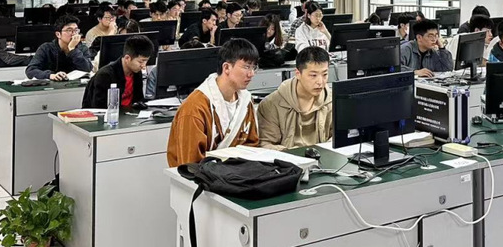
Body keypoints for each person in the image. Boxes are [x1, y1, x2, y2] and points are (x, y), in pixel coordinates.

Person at [167, 38, 260, 167]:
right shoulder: (195, 108)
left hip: (237, 174)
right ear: (226, 67)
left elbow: (252, 145)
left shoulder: (246, 102)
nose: (251, 74)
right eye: (246, 67)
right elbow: (190, 164)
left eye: (254, 67)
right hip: (202, 177)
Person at [256, 46, 332, 150]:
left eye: (325, 74)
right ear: (298, 74)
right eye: (313, 75)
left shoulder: (331, 100)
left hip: (324, 157)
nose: (320, 81)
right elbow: (265, 144)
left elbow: (340, 137)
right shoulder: (271, 104)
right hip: (286, 158)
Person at [82, 34, 151, 109]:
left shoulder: (136, 73)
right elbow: (99, 108)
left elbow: (139, 101)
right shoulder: (105, 75)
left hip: (130, 114)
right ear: (127, 58)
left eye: (146, 61)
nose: (143, 66)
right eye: (140, 62)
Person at [26, 16, 92, 81]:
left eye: (76, 30)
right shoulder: (46, 48)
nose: (74, 34)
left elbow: (87, 69)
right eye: (69, 30)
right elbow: (31, 70)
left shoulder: (82, 48)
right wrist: (50, 75)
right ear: (58, 34)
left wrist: (73, 50)